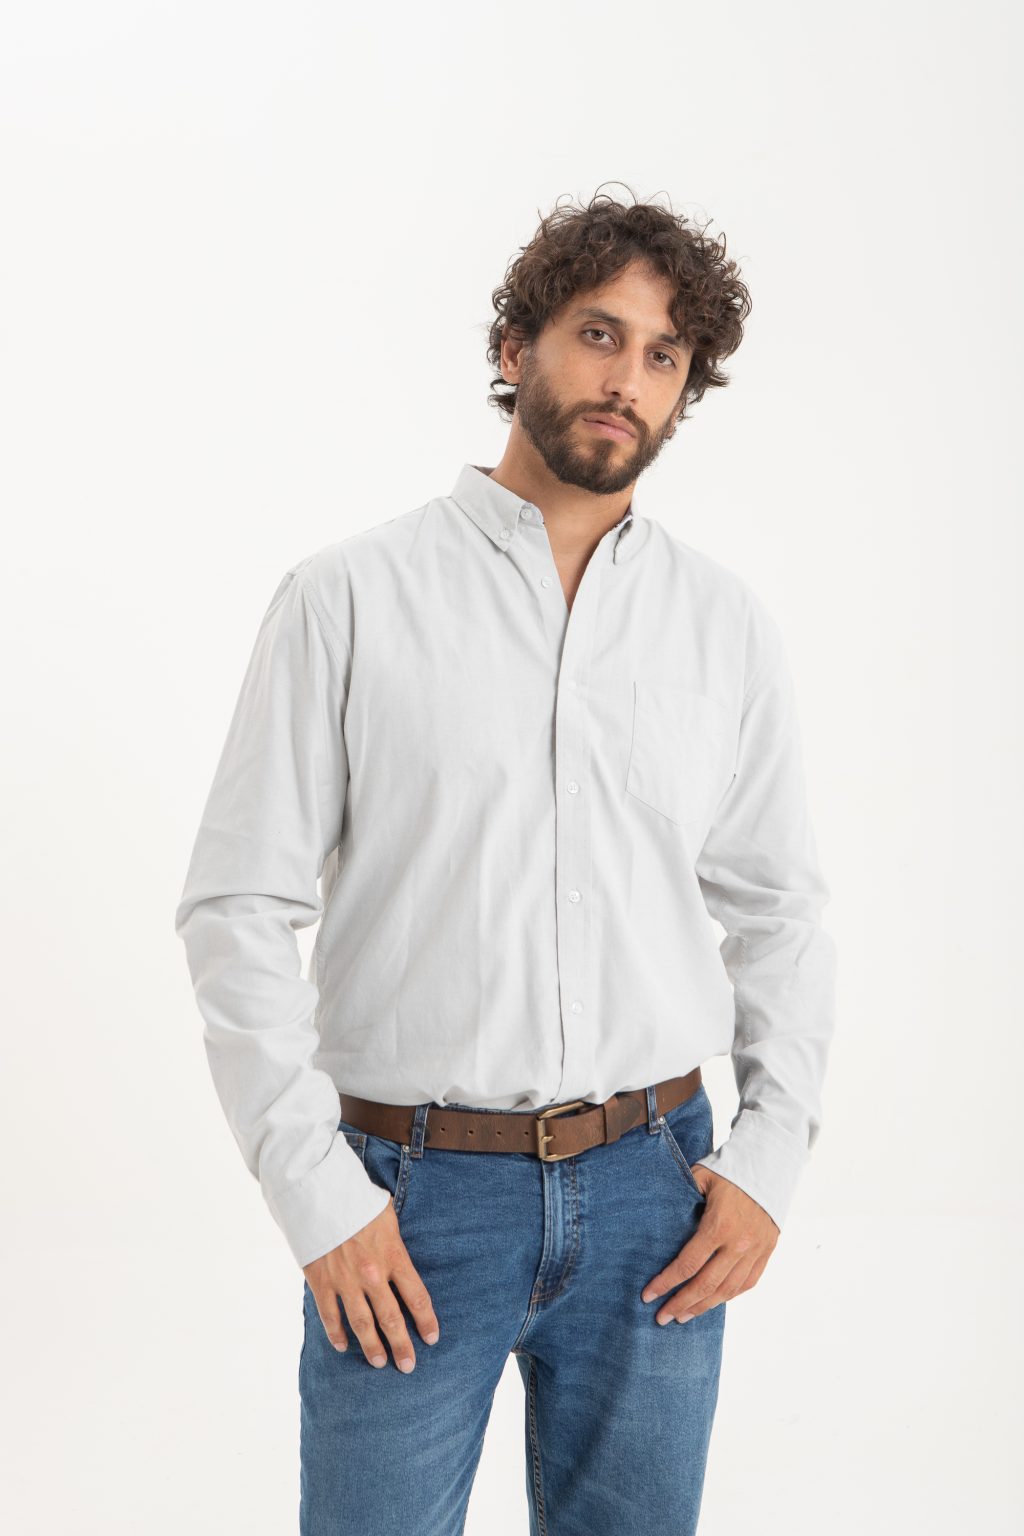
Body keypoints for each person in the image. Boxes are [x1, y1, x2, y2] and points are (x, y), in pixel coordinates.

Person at [174, 186, 837, 1535]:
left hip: (658, 1192)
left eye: (664, 355)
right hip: (411, 1201)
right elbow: (237, 907)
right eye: (599, 334)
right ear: (514, 347)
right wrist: (318, 1197)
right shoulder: (349, 599)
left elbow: (781, 913)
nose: (628, 379)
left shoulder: (724, 629)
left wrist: (769, 1160)